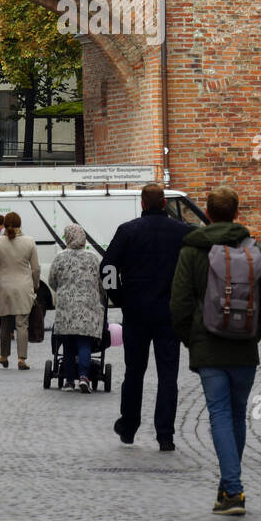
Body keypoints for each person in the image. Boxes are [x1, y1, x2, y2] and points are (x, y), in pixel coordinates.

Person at [170, 185, 261, 514]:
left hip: (210, 348)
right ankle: (228, 486)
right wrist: (252, 334)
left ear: (208, 212)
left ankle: (233, 491)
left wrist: (193, 339)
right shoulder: (253, 248)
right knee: (236, 416)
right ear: (236, 212)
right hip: (244, 348)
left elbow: (179, 304)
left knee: (219, 415)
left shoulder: (192, 250)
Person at [101, 183, 188, 450]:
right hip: (168, 313)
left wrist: (121, 299)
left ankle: (128, 426)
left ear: (142, 204)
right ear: (164, 203)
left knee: (134, 372)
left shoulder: (128, 231)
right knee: (168, 375)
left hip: (136, 312)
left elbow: (107, 269)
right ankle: (165, 435)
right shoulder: (182, 232)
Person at [48, 223, 104, 391]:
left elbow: (52, 281)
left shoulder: (60, 257)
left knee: (68, 346)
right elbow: (101, 283)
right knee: (85, 343)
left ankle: (69, 381)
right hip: (88, 308)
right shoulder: (93, 257)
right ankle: (84, 377)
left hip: (66, 309)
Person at [0, 212, 39, 371]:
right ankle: (22, 358)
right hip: (24, 286)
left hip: (4, 287)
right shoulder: (30, 242)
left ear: (5, 224)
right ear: (20, 224)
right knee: (22, 324)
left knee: (5, 323)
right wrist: (35, 285)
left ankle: (4, 356)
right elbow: (35, 268)